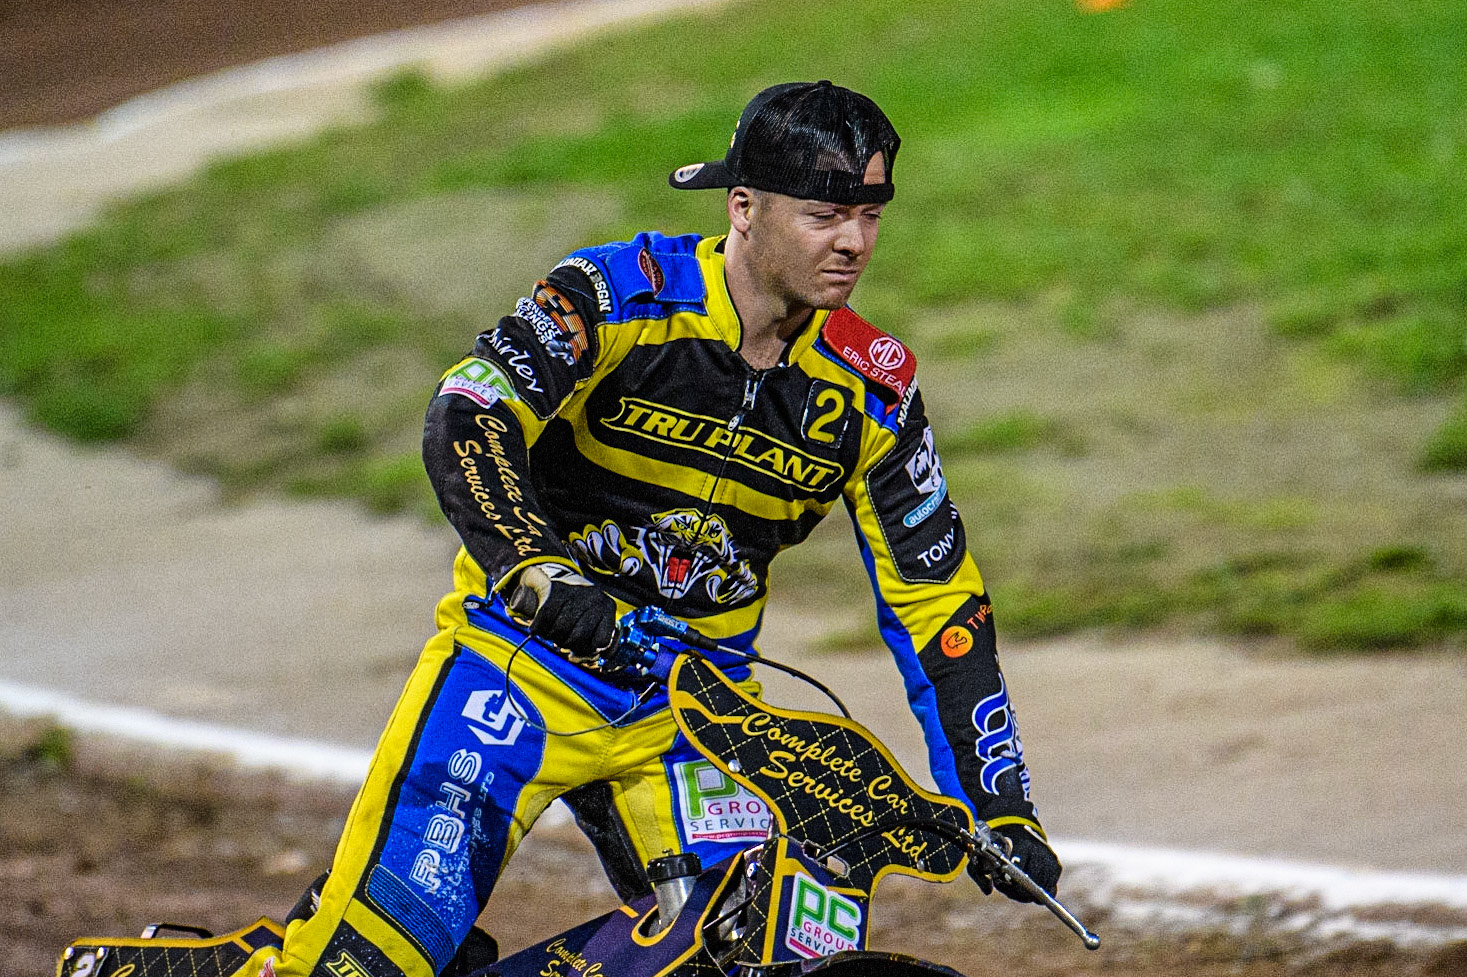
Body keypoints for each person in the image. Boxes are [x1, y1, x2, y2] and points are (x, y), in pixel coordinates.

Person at [255, 80, 1061, 977]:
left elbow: (939, 602)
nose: (853, 244)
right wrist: (535, 569)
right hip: (516, 675)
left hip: (697, 712)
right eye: (826, 214)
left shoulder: (872, 389)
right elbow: (468, 413)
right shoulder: (611, 295)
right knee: (360, 968)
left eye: (870, 215)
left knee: (776, 949)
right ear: (742, 208)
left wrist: (1000, 805)